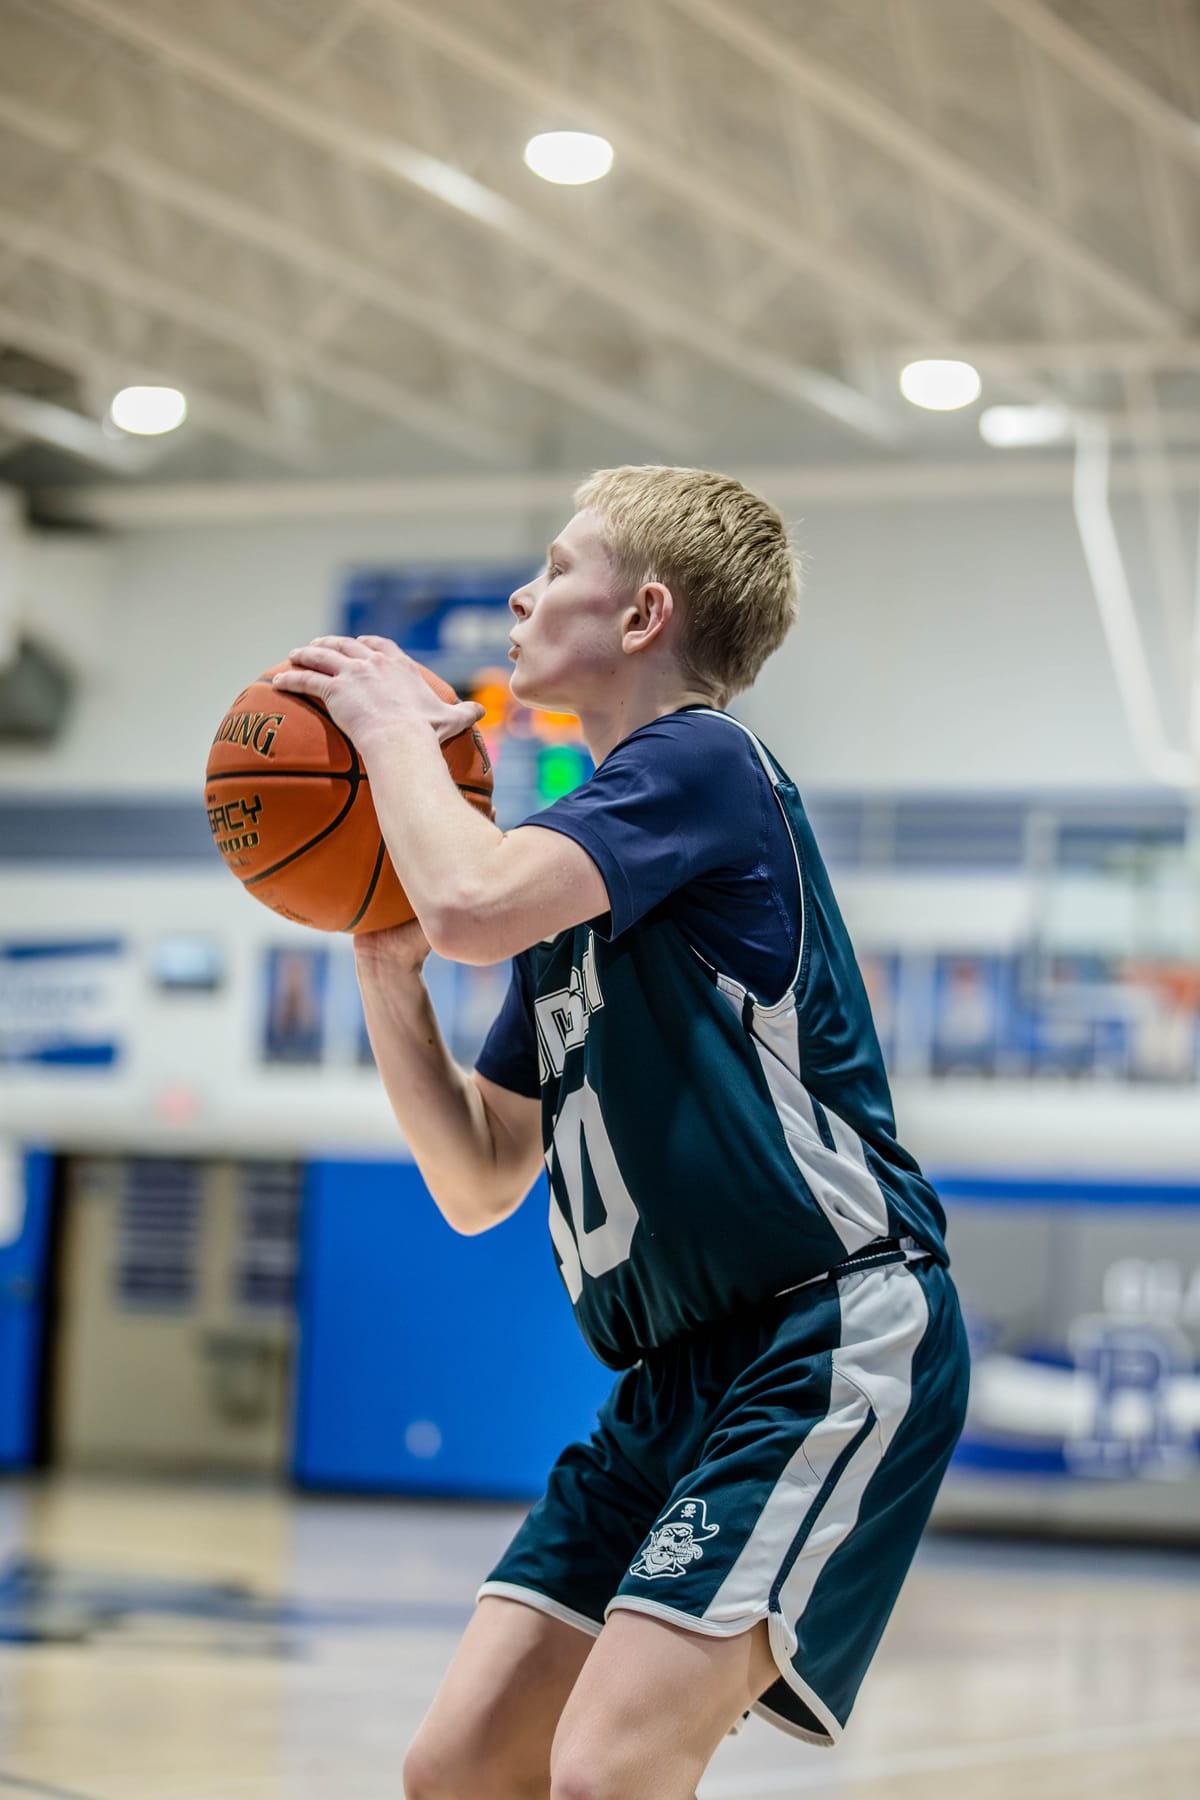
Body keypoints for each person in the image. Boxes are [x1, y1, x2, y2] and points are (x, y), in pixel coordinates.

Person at [273, 466, 970, 1800]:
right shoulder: (575, 879)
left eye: (556, 563)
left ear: (646, 613)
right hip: (672, 1378)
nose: (522, 594)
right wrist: (383, 975)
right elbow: (480, 1177)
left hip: (827, 1329)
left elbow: (470, 899)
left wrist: (392, 735)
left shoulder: (702, 761)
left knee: (608, 1768)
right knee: (463, 1765)